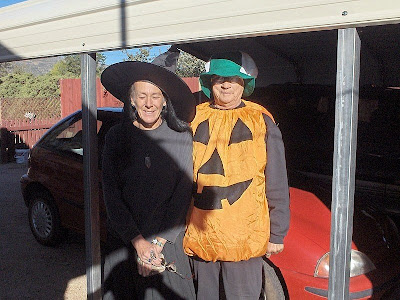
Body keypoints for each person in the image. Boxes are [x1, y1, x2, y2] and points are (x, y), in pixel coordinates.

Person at [183, 51, 290, 299]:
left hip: (244, 236)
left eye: (232, 78)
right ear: (211, 83)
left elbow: (277, 179)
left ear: (244, 83)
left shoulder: (261, 120)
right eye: (219, 78)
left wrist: (277, 232)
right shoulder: (195, 117)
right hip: (202, 235)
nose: (226, 83)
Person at [101, 61, 196, 300]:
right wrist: (139, 243)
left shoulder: (181, 136)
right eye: (141, 96)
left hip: (167, 242)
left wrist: (157, 243)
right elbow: (111, 195)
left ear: (165, 101)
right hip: (124, 243)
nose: (149, 103)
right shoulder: (116, 138)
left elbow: (182, 193)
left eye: (155, 96)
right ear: (131, 100)